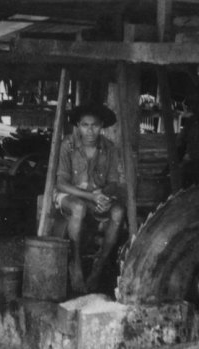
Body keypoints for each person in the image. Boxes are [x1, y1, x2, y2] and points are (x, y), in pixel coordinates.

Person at [56, 104, 125, 293]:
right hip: (71, 195)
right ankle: (76, 264)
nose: (90, 130)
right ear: (78, 125)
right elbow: (61, 183)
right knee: (79, 208)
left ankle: (98, 266)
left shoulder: (109, 148)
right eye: (85, 125)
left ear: (101, 125)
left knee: (119, 212)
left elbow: (112, 182)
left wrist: (106, 197)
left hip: (97, 195)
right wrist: (91, 196)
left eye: (94, 125)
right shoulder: (68, 145)